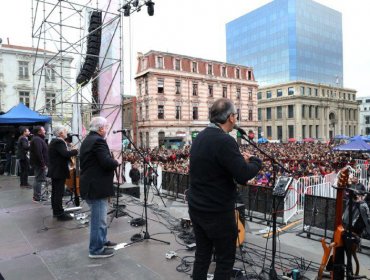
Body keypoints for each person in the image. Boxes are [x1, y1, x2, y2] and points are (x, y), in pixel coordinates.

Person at [187, 98, 262, 280]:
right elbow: (243, 175)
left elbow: (214, 166)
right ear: (231, 118)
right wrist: (255, 162)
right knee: (225, 259)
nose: (236, 118)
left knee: (202, 255)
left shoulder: (200, 137)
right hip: (217, 212)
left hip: (197, 208)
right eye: (235, 115)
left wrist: (236, 161)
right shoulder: (225, 141)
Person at [80, 116, 119, 259]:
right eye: (106, 127)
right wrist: (115, 162)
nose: (107, 129)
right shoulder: (98, 141)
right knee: (98, 220)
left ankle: (102, 241)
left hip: (92, 185)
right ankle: (96, 250)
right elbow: (106, 163)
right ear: (101, 128)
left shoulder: (88, 139)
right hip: (96, 186)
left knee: (101, 218)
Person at [48, 125, 78, 221]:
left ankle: (56, 211)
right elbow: (65, 154)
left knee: (56, 192)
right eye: (65, 131)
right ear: (61, 133)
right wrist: (75, 151)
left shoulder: (55, 141)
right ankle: (59, 213)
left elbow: (61, 153)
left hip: (56, 170)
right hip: (58, 170)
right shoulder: (58, 142)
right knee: (58, 192)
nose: (66, 133)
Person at [30, 126, 48, 202]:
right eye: (43, 130)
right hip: (39, 163)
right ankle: (37, 197)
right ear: (39, 132)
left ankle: (37, 196)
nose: (45, 131)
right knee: (38, 179)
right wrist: (43, 164)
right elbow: (38, 152)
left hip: (38, 163)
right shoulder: (37, 139)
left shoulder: (38, 139)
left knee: (39, 179)